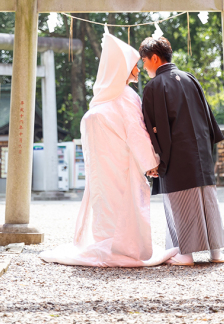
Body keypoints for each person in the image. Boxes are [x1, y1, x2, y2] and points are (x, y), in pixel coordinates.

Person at [40, 32, 177, 268]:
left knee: (105, 205)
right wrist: (151, 163)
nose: (137, 70)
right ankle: (124, 249)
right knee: (126, 206)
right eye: (134, 66)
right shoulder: (126, 96)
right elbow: (136, 133)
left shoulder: (101, 98)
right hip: (122, 165)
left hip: (102, 167)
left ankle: (105, 244)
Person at [139, 36, 224, 266]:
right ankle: (216, 253)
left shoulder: (154, 87)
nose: (143, 66)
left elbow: (153, 129)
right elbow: (209, 121)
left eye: (144, 61)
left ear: (155, 58)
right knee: (208, 202)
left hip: (176, 156)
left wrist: (156, 160)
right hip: (201, 155)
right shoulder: (190, 79)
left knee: (180, 203)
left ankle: (185, 255)